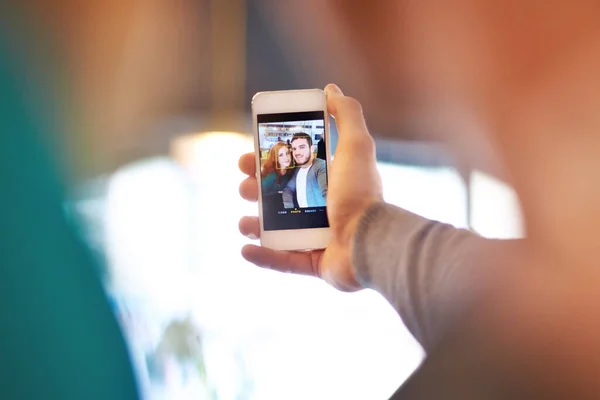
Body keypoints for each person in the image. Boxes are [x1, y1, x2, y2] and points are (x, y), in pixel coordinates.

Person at [281, 132, 327, 208]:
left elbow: (327, 191)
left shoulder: (321, 166)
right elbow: (288, 189)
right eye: (294, 149)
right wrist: (289, 210)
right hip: (302, 217)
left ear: (312, 148)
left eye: (302, 147)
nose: (297, 153)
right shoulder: (298, 169)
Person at [261, 142, 295, 210]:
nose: (286, 157)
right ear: (275, 158)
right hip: (269, 207)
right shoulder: (272, 175)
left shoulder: (289, 171)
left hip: (281, 205)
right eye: (281, 155)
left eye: (287, 153)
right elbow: (260, 194)